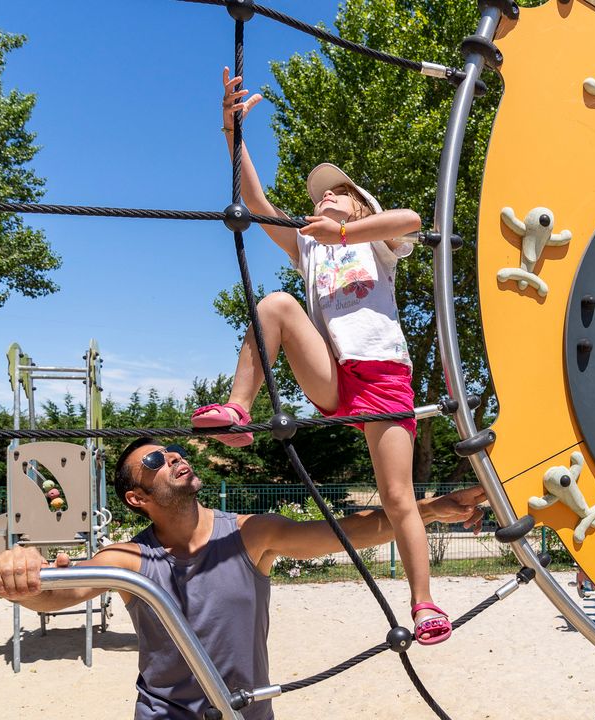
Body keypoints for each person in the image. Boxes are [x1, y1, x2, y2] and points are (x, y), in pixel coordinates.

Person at [190, 66, 448, 645]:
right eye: (320, 195)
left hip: (382, 375)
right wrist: (233, 137)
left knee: (397, 496)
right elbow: (254, 202)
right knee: (278, 303)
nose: (325, 195)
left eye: (338, 191)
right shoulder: (309, 243)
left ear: (360, 206)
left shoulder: (377, 243)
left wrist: (347, 234)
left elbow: (410, 220)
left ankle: (425, 603)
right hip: (333, 375)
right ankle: (239, 410)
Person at [0, 439, 486, 720]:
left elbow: (348, 533)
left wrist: (431, 509)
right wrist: (20, 571)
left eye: (175, 451)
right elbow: (57, 595)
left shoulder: (249, 535)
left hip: (246, 713)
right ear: (137, 497)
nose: (175, 458)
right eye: (155, 461)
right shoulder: (130, 558)